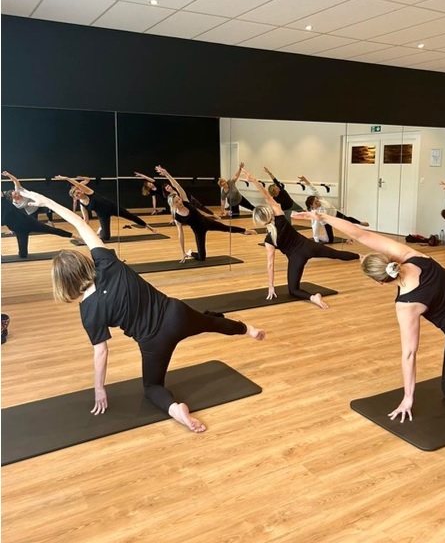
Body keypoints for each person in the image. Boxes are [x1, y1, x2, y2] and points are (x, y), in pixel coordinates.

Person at [18, 187, 266, 433]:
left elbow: (101, 352)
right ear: (84, 263)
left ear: (63, 284)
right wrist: (45, 200)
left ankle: (176, 410)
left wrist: (99, 388)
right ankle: (250, 330)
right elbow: (79, 224)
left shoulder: (88, 312)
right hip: (176, 313)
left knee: (152, 387)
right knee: (212, 323)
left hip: (154, 342)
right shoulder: (107, 263)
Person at [297, 208, 445, 422]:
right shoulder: (415, 257)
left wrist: (408, 398)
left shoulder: (407, 304)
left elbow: (409, 353)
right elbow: (362, 235)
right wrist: (322, 216)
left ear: (379, 282)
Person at [241, 169, 360, 309]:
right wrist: (254, 181)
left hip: (296, 258)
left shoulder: (269, 240)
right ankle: (361, 256)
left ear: (260, 222)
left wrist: (271, 286)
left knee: (294, 290)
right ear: (269, 212)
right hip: (309, 246)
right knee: (336, 254)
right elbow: (267, 197)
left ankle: (313, 298)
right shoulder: (280, 217)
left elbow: (270, 265)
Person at [155, 166, 256, 262]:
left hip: (207, 222)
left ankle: (245, 231)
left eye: (179, 199)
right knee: (201, 258)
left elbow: (177, 185)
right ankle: (190, 253)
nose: (179, 202)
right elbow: (180, 234)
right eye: (176, 202)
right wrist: (183, 252)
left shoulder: (185, 201)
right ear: (173, 205)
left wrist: (166, 174)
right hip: (198, 231)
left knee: (225, 228)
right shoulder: (177, 217)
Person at [54, 175, 156, 241]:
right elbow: (86, 220)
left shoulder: (88, 192)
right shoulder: (82, 205)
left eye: (78, 192)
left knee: (130, 216)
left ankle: (148, 226)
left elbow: (77, 184)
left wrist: (66, 178)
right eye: (76, 195)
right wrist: (85, 233)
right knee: (106, 238)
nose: (79, 194)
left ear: (81, 190)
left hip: (112, 207)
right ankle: (101, 229)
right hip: (102, 215)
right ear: (75, 198)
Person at [1, 190, 77, 258]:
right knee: (23, 255)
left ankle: (75, 236)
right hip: (19, 230)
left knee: (51, 230)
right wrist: (11, 229)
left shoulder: (4, 202)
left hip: (29, 223)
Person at [299, 175, 369, 243]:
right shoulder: (315, 213)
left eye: (317, 200)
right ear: (312, 205)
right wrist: (316, 239)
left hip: (334, 213)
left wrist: (306, 181)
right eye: (316, 203)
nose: (318, 202)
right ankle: (320, 237)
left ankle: (360, 223)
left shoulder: (320, 199)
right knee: (330, 240)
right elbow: (315, 226)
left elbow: (313, 189)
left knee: (347, 219)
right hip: (327, 222)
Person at [134, 171, 219, 219]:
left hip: (183, 196)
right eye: (149, 185)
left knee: (199, 206)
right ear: (148, 187)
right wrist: (154, 209)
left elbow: (175, 185)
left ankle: (213, 214)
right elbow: (154, 199)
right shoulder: (158, 193)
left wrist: (141, 175)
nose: (150, 184)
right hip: (170, 197)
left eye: (150, 183)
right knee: (184, 209)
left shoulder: (156, 183)